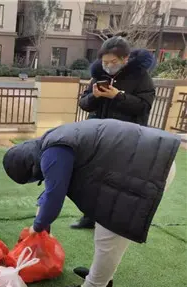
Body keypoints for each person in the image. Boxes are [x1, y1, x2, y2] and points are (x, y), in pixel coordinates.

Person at [2, 119, 179, 287]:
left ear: (30, 165)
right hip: (145, 159)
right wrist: (42, 221)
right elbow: (51, 189)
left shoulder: (53, 152)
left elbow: (54, 196)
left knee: (110, 231)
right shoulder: (51, 140)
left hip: (150, 167)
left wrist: (38, 227)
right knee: (106, 223)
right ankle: (102, 276)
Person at [73, 36, 156, 230]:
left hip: (127, 137)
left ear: (125, 59)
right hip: (99, 135)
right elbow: (84, 104)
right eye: (105, 62)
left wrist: (118, 96)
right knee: (93, 177)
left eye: (113, 62)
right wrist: (94, 95)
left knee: (119, 181)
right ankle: (89, 218)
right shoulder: (99, 75)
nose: (109, 65)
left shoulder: (140, 76)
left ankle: (112, 221)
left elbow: (144, 106)